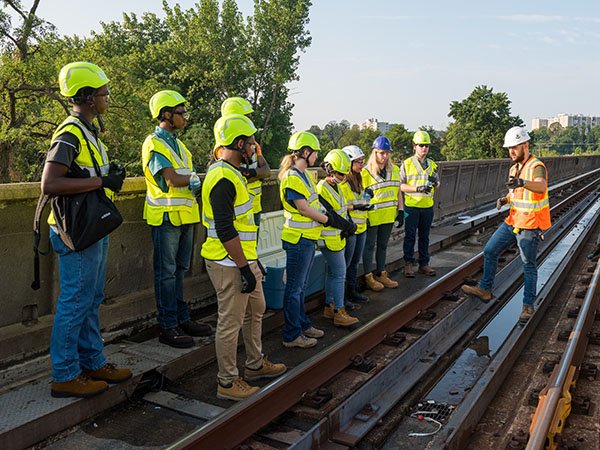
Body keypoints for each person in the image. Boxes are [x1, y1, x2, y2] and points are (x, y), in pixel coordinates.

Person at [40, 61, 131, 398]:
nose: (108, 96)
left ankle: (92, 361)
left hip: (91, 227)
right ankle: (64, 375)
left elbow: (85, 175)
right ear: (90, 97)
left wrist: (109, 177)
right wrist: (101, 180)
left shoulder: (88, 131)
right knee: (75, 301)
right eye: (104, 92)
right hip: (75, 232)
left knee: (90, 298)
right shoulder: (69, 132)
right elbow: (49, 183)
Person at [202, 113, 286, 400]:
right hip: (228, 263)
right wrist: (243, 268)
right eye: (250, 144)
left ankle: (254, 365)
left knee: (256, 309)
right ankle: (227, 382)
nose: (254, 149)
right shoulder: (223, 178)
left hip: (244, 259)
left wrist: (253, 262)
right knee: (231, 322)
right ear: (239, 144)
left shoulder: (233, 173)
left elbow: (242, 226)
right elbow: (226, 230)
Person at [142, 90, 211, 349]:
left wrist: (193, 181)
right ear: (167, 115)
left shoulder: (179, 145)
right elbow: (170, 179)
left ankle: (182, 318)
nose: (186, 117)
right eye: (181, 113)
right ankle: (168, 325)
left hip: (185, 216)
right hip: (166, 217)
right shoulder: (154, 143)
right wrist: (197, 180)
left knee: (179, 272)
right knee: (166, 274)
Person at [462, 126, 551, 321]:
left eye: (515, 147)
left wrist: (522, 182)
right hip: (513, 221)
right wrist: (505, 200)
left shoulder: (536, 166)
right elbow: (516, 193)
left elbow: (541, 186)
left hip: (529, 224)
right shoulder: (514, 168)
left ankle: (528, 306)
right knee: (490, 250)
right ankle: (485, 289)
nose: (511, 152)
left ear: (525, 145)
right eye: (509, 148)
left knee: (528, 265)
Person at [279, 132, 353, 348]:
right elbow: (302, 208)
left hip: (307, 239)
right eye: (315, 152)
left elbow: (312, 204)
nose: (317, 156)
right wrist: (328, 219)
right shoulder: (292, 177)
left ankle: (302, 324)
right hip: (298, 239)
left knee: (300, 288)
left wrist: (327, 217)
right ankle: (292, 335)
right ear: (305, 152)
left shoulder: (304, 176)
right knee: (294, 289)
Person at [318, 150, 360, 326]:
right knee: (340, 273)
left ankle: (330, 306)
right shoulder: (321, 188)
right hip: (329, 238)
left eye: (344, 174)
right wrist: (348, 226)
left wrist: (348, 225)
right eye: (339, 174)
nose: (342, 177)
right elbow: (329, 215)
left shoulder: (338, 187)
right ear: (329, 169)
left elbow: (341, 211)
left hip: (337, 236)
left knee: (333, 273)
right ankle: (339, 311)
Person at [220, 97, 271, 226]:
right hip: (238, 210)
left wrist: (250, 173)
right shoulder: (223, 147)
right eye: (246, 117)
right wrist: (256, 175)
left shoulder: (252, 144)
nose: (250, 122)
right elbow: (234, 178)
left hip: (254, 207)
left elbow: (266, 171)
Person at [361, 136, 403, 291]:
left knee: (383, 245)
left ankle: (381, 273)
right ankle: (368, 276)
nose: (384, 156)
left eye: (387, 153)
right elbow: (360, 197)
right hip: (372, 216)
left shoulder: (395, 170)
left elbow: (398, 192)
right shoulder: (365, 173)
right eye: (381, 153)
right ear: (374, 153)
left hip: (388, 215)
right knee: (369, 246)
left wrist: (401, 211)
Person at [400, 130, 440, 277]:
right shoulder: (407, 164)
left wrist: (436, 184)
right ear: (414, 146)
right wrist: (417, 188)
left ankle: (424, 264)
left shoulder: (432, 164)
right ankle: (408, 264)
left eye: (426, 145)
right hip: (412, 206)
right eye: (421, 145)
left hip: (427, 206)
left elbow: (438, 183)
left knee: (425, 236)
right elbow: (401, 186)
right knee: (410, 236)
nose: (424, 148)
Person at [340, 145, 371, 307]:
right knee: (345, 263)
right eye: (357, 162)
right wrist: (357, 207)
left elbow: (359, 200)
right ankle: (342, 296)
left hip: (362, 227)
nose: (361, 164)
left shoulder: (361, 179)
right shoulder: (343, 182)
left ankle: (352, 290)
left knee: (354, 263)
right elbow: (341, 206)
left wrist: (367, 202)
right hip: (350, 229)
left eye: (362, 161)